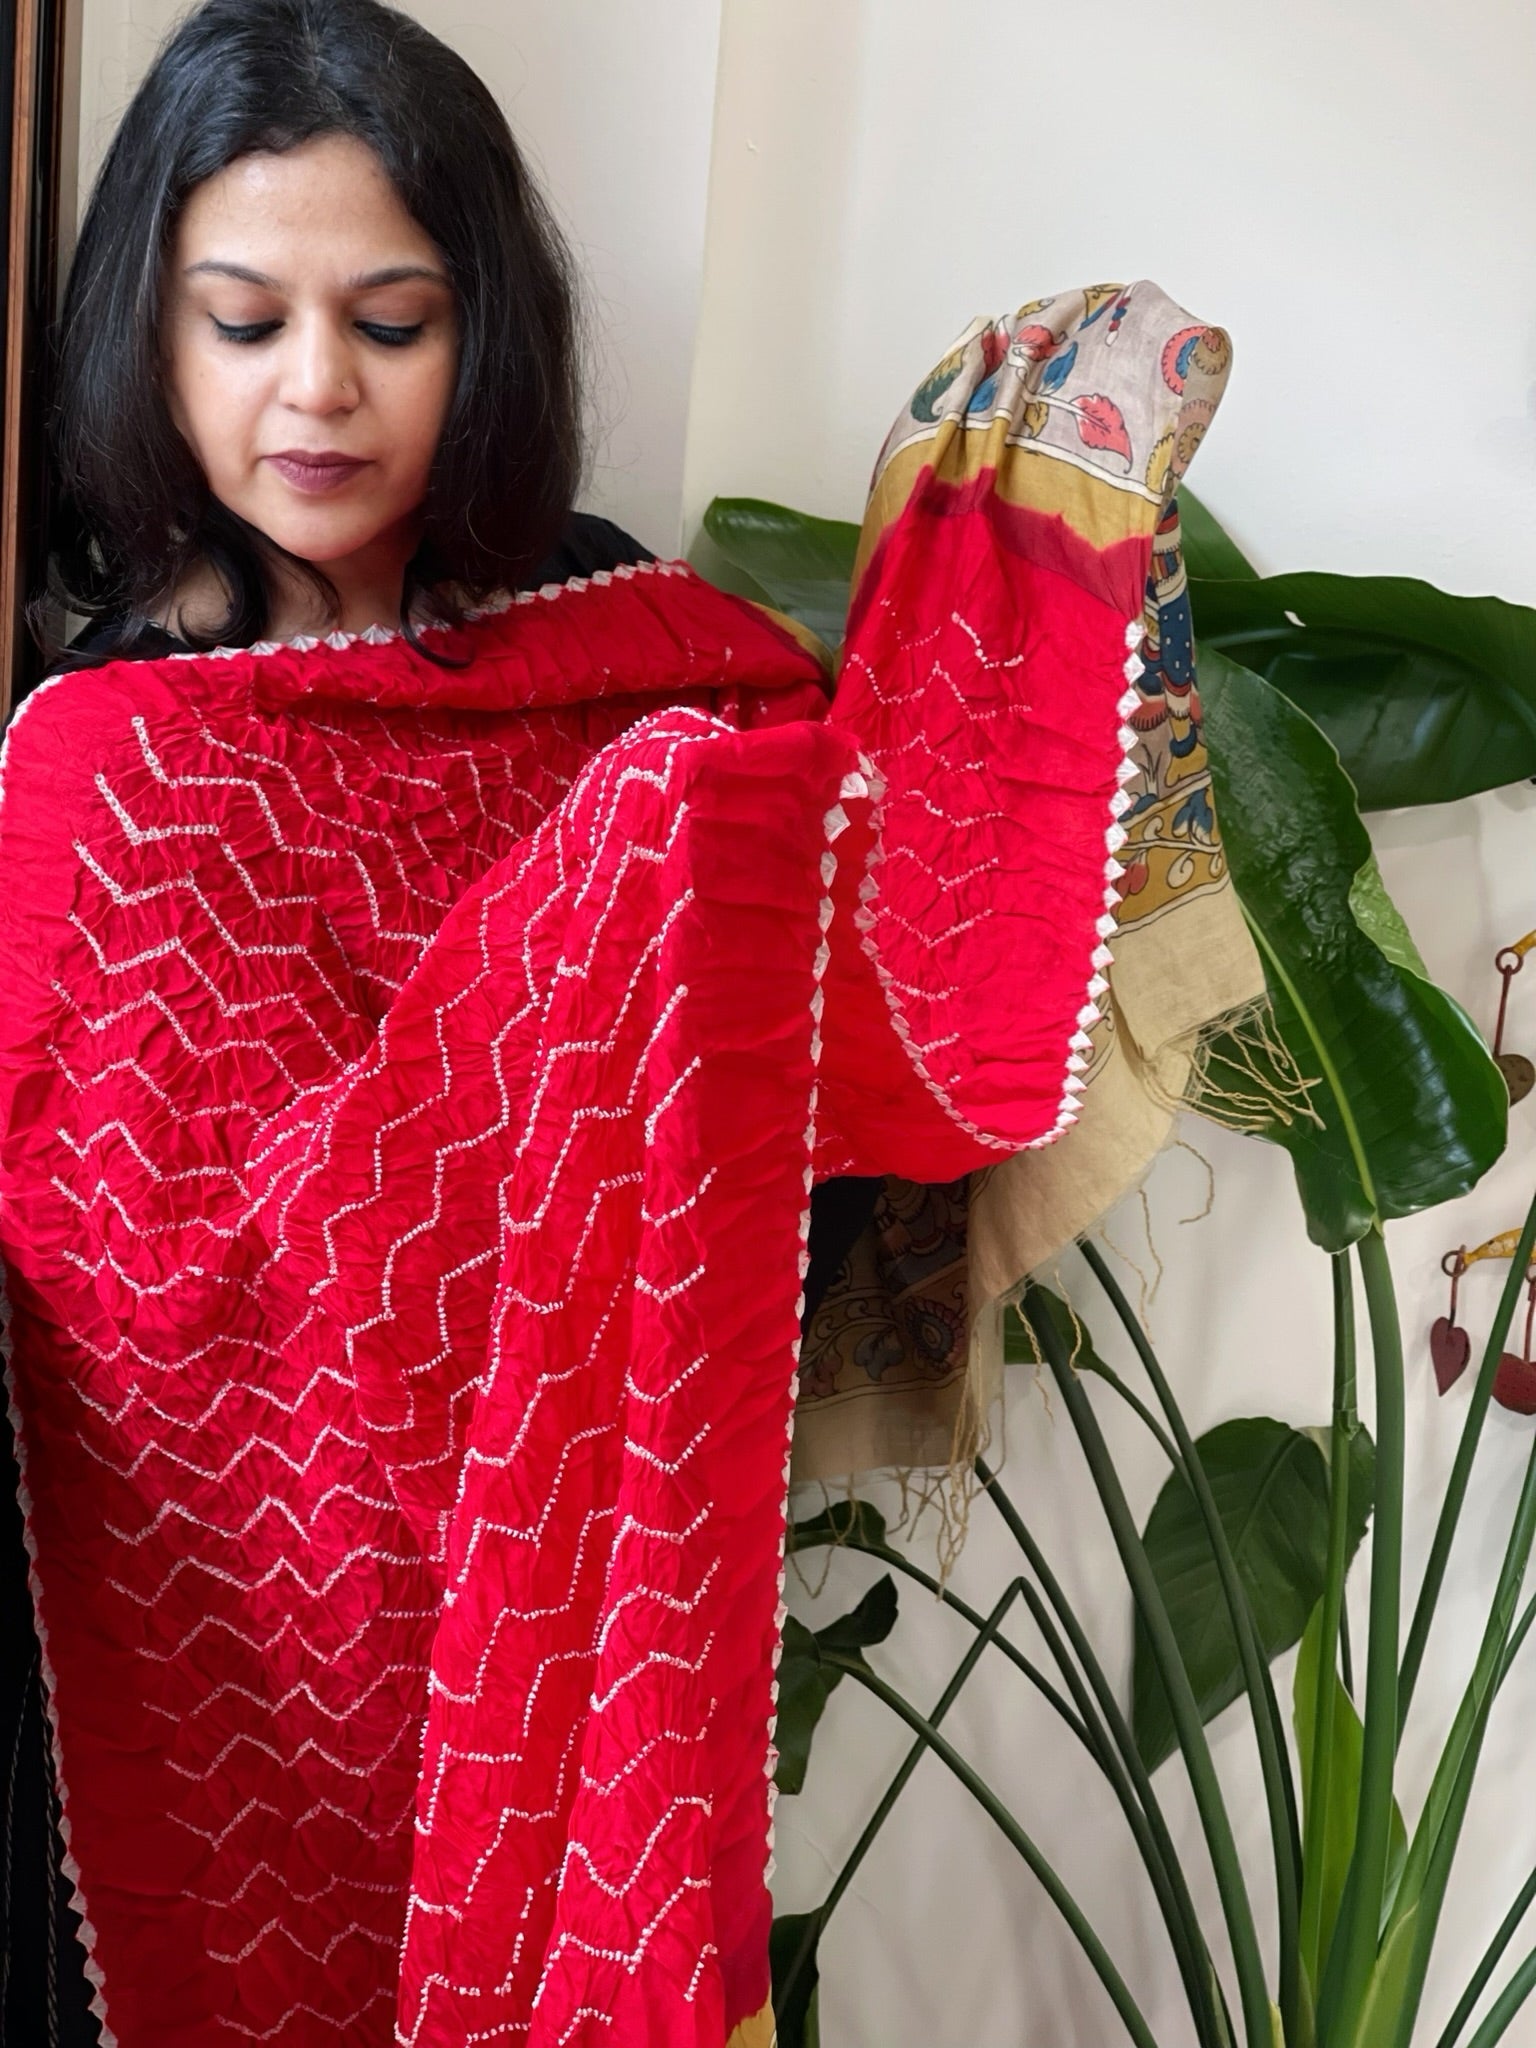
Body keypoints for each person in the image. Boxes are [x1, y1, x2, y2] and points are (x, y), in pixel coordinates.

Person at [0, 2, 1248, 2041]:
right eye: (244, 321)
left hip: (576, 1549)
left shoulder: (630, 649)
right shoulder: (105, 755)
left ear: (482, 331)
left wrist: (999, 552)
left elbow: (835, 938)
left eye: (388, 322)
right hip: (235, 1632)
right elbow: (119, 1271)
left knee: (683, 800)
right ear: (149, 327)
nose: (314, 389)